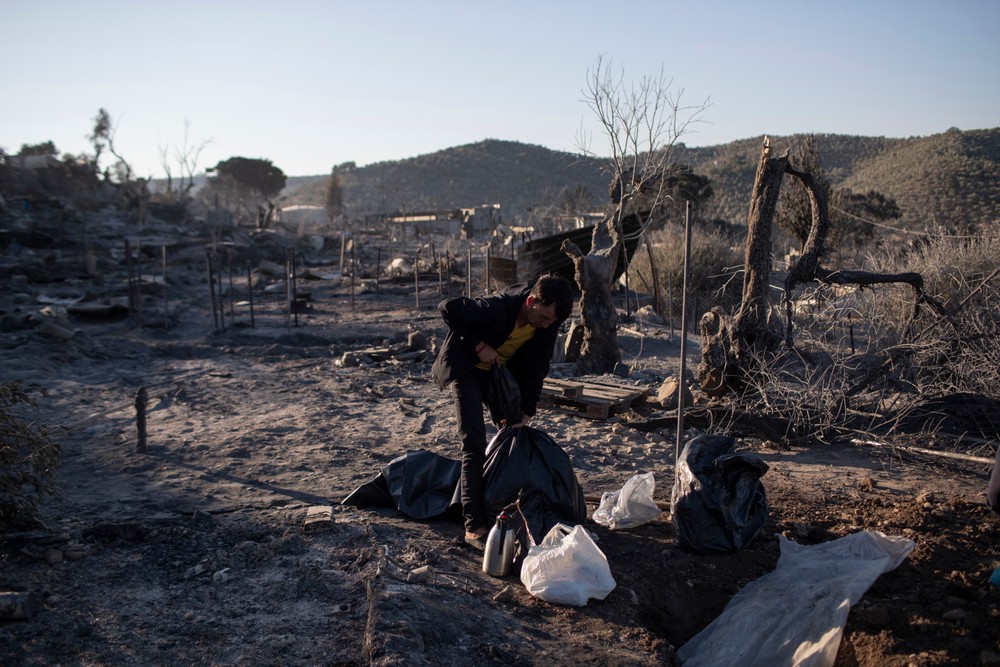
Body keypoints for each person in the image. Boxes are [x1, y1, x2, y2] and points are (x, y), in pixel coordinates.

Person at [431, 273, 574, 550]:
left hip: (498, 374)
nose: (546, 325)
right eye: (544, 317)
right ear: (531, 301)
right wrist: (479, 346)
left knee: (512, 434)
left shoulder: (548, 320)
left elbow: (538, 365)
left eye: (552, 321)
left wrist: (527, 410)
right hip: (468, 369)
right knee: (474, 443)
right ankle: (474, 525)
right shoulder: (497, 307)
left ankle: (499, 503)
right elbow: (447, 308)